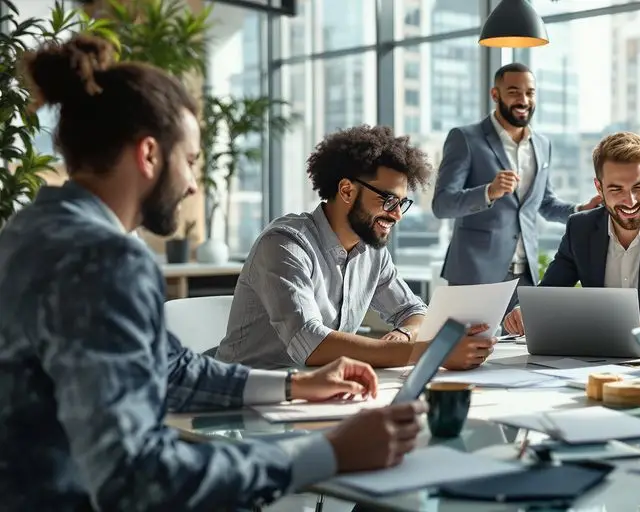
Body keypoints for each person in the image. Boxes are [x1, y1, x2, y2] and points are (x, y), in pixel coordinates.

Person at [0, 35, 427, 511]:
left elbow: (169, 367)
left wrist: (292, 385)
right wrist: (322, 455)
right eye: (190, 161)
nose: (190, 185)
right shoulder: (106, 258)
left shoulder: (29, 230)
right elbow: (136, 478)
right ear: (148, 155)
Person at [217, 125, 496, 370]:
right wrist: (434, 353)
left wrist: (404, 334)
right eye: (388, 200)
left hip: (319, 392)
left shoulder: (371, 251)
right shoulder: (284, 245)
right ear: (347, 190)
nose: (397, 214)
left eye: (401, 203)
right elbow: (311, 342)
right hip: (244, 401)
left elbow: (414, 311)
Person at [502, 132, 640, 340]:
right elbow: (550, 292)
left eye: (639, 187)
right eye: (616, 189)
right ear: (599, 188)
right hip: (596, 353)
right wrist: (525, 310)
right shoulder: (580, 228)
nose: (630, 201)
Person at [431, 63, 602, 303]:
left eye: (530, 92)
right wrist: (489, 191)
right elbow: (442, 205)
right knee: (471, 342)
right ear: (495, 94)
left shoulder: (542, 144)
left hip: (524, 275)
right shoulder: (465, 138)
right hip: (475, 274)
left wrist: (580, 210)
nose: (523, 100)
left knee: (523, 342)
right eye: (513, 92)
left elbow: (545, 203)